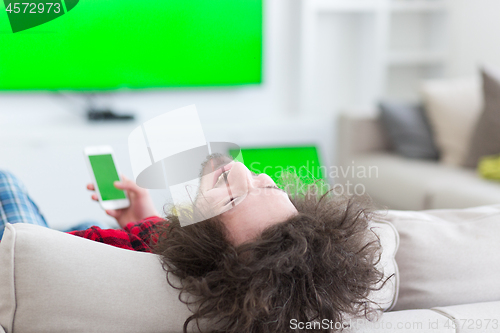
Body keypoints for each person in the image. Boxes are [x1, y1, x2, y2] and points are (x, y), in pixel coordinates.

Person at [0, 154, 385, 333]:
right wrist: (140, 218)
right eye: (267, 184)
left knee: (6, 180)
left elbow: (34, 257)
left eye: (233, 198)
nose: (241, 170)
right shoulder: (178, 245)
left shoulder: (107, 252)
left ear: (206, 249)